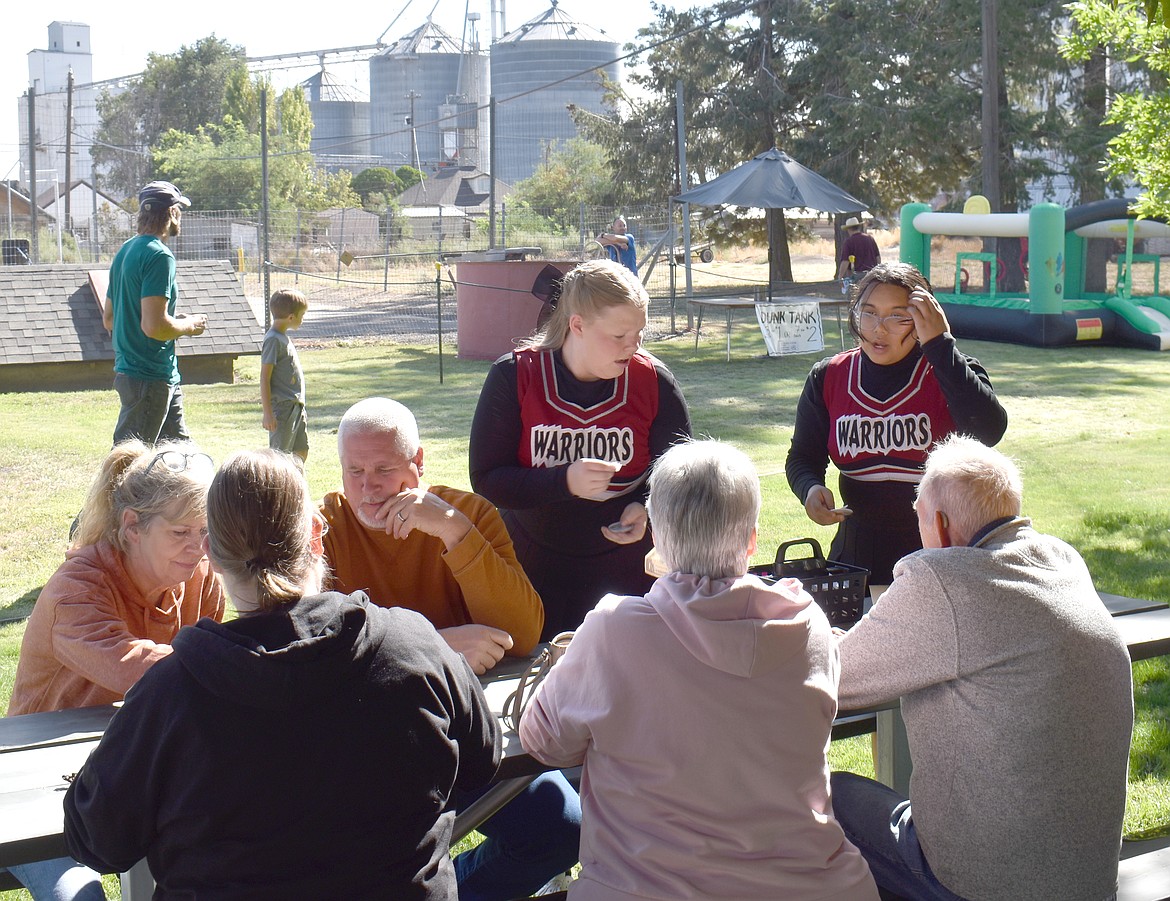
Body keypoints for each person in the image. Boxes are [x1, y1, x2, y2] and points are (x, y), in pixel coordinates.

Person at [63, 449, 500, 900]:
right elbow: (482, 760)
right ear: (315, 535)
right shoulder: (415, 646)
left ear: (210, 552)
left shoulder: (172, 692)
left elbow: (97, 840)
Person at [518, 439, 879, 901]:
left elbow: (544, 741)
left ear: (657, 540)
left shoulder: (613, 631)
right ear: (752, 540)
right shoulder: (806, 621)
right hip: (816, 885)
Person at [831, 436, 1134, 901]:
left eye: (920, 523)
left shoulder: (942, 579)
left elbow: (836, 676)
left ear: (941, 525)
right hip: (1090, 881)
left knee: (827, 796)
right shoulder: (1063, 560)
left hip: (980, 886)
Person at [321, 396, 579, 901]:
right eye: (354, 472)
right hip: (364, 752)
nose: (368, 488)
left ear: (418, 465)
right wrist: (434, 645)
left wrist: (453, 531)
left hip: (464, 738)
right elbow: (317, 652)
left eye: (384, 469)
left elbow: (523, 633)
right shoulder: (323, 527)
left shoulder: (468, 514)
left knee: (562, 828)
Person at [6, 440, 225, 901]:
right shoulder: (78, 588)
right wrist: (236, 661)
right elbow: (138, 669)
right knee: (80, 896)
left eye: (206, 532)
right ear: (132, 527)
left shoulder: (201, 577)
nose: (198, 549)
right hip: (41, 790)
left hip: (134, 768)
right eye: (181, 533)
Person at [469, 258, 692, 639]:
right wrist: (565, 481)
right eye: (619, 335)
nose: (633, 346)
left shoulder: (653, 381)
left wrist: (648, 509)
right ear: (577, 325)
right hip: (533, 565)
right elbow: (487, 478)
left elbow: (682, 476)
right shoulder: (516, 375)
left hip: (626, 574)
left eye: (639, 333)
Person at [785, 261, 1007, 596]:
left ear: (924, 319)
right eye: (869, 313)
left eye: (898, 316)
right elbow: (802, 457)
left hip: (941, 554)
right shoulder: (828, 376)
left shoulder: (949, 370)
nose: (879, 328)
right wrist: (810, 489)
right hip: (857, 556)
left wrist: (941, 346)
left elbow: (988, 431)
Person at [104, 180, 206, 446]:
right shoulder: (160, 256)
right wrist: (190, 325)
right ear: (172, 213)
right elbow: (154, 327)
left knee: (180, 459)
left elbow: (110, 318)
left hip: (141, 375)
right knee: (127, 465)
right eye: (179, 210)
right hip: (149, 378)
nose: (180, 216)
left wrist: (172, 321)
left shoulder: (126, 250)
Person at [260, 288, 309, 460]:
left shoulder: (282, 337)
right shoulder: (273, 339)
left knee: (301, 451)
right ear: (291, 317)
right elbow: (265, 378)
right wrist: (268, 413)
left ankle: (297, 486)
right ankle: (279, 487)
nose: (302, 320)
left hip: (295, 405)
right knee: (279, 457)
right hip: (282, 409)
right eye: (301, 315)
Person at [837, 216, 881, 281]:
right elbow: (878, 257)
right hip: (873, 274)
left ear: (849, 229)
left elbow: (845, 261)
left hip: (859, 275)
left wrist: (840, 277)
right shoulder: (870, 238)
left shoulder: (849, 242)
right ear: (858, 227)